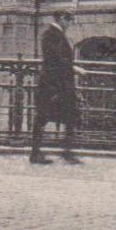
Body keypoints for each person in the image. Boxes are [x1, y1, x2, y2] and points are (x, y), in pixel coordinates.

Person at [30, 11, 81, 164]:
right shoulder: (51, 34)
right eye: (69, 20)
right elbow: (56, 59)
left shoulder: (54, 34)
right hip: (53, 84)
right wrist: (74, 68)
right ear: (62, 19)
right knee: (44, 118)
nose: (70, 24)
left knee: (66, 115)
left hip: (56, 83)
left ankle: (64, 151)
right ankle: (39, 153)